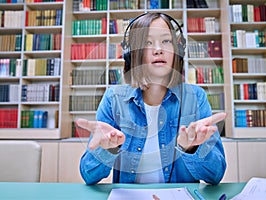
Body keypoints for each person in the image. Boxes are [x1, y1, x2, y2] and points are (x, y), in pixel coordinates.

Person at [77, 12, 227, 185]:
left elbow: (216, 175)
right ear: (133, 54)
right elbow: (88, 175)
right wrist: (108, 149)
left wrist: (192, 148)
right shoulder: (113, 99)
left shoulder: (196, 98)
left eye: (166, 41)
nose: (158, 49)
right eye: (148, 42)